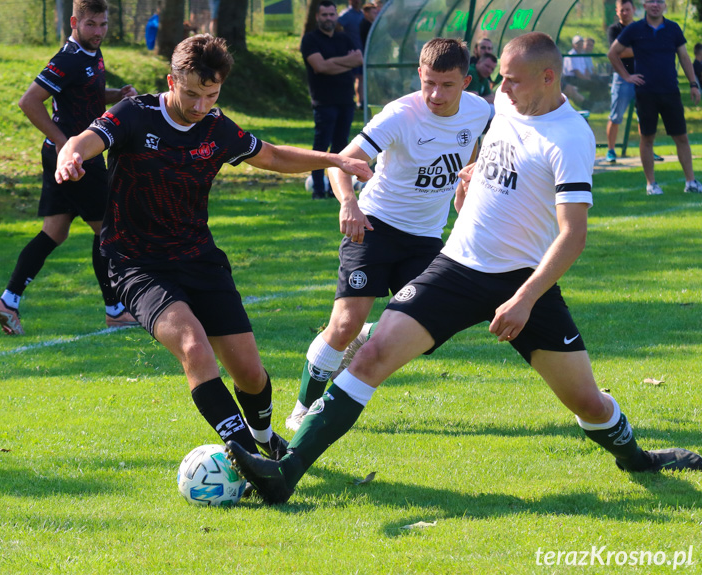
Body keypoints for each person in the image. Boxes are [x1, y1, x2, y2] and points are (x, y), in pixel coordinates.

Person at [227, 32, 702, 505]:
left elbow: (572, 235)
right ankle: (284, 476)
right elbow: (495, 158)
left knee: (586, 401)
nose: (503, 89)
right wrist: (472, 180)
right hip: (455, 265)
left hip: (521, 282)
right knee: (370, 357)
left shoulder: (571, 137)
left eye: (514, 81)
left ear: (548, 76)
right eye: (504, 80)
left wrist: (524, 299)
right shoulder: (506, 99)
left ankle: (638, 459)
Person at [53, 35, 372, 463]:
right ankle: (246, 454)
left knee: (251, 375)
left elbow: (274, 157)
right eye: (191, 94)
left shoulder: (216, 128)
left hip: (199, 259)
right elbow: (86, 139)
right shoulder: (135, 114)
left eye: (212, 94)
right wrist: (69, 156)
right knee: (193, 345)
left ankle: (264, 438)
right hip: (137, 263)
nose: (201, 105)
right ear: (172, 80)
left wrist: (334, 160)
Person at [284, 38, 490, 432]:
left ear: (466, 82)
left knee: (428, 329)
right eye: (429, 82)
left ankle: (369, 334)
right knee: (343, 325)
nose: (435, 94)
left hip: (427, 236)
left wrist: (473, 174)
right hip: (375, 227)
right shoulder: (400, 115)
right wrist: (349, 203)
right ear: (419, 74)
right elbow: (340, 163)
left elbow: (481, 150)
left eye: (447, 85)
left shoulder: (480, 111)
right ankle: (301, 409)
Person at [0, 0, 139, 336]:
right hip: (77, 158)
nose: (98, 32)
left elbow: (84, 96)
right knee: (108, 229)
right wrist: (62, 142)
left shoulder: (90, 54)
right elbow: (29, 101)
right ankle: (115, 309)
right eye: (91, 25)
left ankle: (8, 302)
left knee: (54, 232)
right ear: (74, 22)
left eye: (102, 24)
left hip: (73, 154)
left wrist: (117, 94)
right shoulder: (68, 58)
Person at [608, 0, 702, 195]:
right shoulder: (635, 29)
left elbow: (684, 57)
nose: (655, 5)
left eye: (659, 1)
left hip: (670, 91)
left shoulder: (673, 29)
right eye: (651, 1)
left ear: (665, 5)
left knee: (682, 137)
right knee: (647, 137)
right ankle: (651, 184)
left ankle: (691, 182)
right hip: (646, 93)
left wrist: (693, 84)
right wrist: (627, 76)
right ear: (644, 5)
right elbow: (612, 53)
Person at [301, 0, 363, 200]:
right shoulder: (310, 40)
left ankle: (336, 189)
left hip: (346, 99)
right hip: (324, 101)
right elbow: (320, 67)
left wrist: (331, 63)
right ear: (317, 17)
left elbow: (359, 60)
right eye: (324, 15)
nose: (328, 18)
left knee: (341, 147)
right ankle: (318, 189)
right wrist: (345, 62)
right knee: (321, 147)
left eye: (331, 14)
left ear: (336, 16)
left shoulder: (344, 38)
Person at [605, 0, 637, 163]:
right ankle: (611, 150)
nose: (625, 12)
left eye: (627, 9)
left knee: (645, 116)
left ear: (634, 10)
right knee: (616, 116)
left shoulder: (641, 28)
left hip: (641, 77)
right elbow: (617, 53)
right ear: (617, 12)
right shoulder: (614, 30)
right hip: (622, 78)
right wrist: (639, 49)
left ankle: (647, 149)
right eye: (621, 10)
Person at [338, 0, 365, 109]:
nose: (357, 1)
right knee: (352, 77)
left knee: (361, 77)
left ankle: (361, 102)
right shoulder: (346, 14)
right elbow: (337, 25)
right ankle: (349, 99)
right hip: (350, 52)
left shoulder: (362, 14)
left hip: (362, 51)